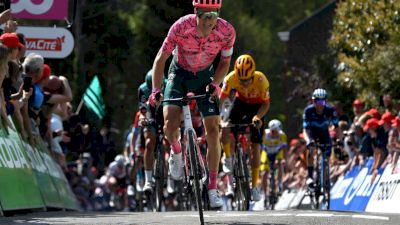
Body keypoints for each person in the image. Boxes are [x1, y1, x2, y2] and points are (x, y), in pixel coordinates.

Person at [149, 0, 236, 208]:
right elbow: (161, 58)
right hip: (178, 73)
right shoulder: (180, 27)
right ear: (195, 13)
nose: (208, 23)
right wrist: (156, 90)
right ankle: (177, 152)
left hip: (205, 76)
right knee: (169, 125)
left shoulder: (226, 31)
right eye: (205, 18)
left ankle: (213, 188)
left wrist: (216, 84)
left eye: (213, 18)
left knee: (214, 130)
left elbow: (224, 62)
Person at [220, 54, 270, 202]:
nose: (245, 83)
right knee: (225, 125)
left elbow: (266, 104)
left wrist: (258, 117)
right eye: (241, 81)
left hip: (258, 108)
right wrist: (217, 116)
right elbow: (222, 99)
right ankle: (228, 157)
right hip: (240, 104)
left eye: (247, 80)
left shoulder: (261, 80)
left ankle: (254, 186)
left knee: (255, 146)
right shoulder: (230, 78)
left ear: (253, 74)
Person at [302, 88, 340, 183]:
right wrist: (308, 140)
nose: (319, 105)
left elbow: (337, 127)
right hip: (312, 133)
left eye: (322, 102)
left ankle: (325, 172)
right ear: (313, 101)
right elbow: (305, 129)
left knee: (327, 153)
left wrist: (340, 140)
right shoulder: (308, 111)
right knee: (310, 150)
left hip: (324, 134)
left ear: (325, 102)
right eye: (317, 101)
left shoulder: (330, 110)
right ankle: (310, 176)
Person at [260, 119, 287, 197]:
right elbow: (259, 148)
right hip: (266, 153)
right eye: (273, 131)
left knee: (280, 163)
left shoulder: (282, 135)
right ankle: (265, 194)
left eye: (276, 131)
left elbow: (284, 149)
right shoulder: (265, 134)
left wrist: (284, 159)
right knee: (264, 173)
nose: (275, 133)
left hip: (277, 153)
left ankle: (279, 184)